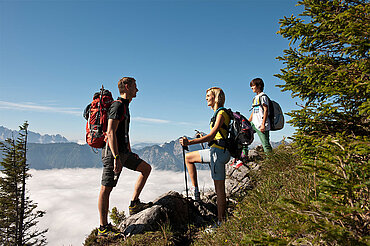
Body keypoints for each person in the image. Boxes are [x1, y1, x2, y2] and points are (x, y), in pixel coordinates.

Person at [97, 77, 152, 237]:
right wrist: (116, 157)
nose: (137, 89)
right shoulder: (117, 106)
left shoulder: (125, 106)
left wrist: (127, 152)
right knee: (105, 189)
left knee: (146, 169)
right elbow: (111, 132)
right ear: (126, 87)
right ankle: (103, 228)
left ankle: (134, 204)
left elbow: (122, 133)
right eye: (135, 86)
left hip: (123, 153)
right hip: (113, 154)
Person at [180, 87, 231, 225]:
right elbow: (216, 135)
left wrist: (190, 142)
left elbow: (212, 136)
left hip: (218, 153)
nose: (206, 98)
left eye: (208, 96)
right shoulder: (217, 114)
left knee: (219, 188)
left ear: (215, 97)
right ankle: (195, 191)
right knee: (189, 158)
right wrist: (203, 137)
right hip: (216, 151)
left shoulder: (221, 113)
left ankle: (221, 222)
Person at [249, 78, 273, 153]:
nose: (251, 87)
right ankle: (244, 156)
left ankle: (271, 161)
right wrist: (248, 122)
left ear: (259, 86)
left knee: (265, 144)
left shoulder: (263, 97)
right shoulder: (255, 98)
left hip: (261, 124)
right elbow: (254, 111)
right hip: (254, 123)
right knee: (244, 136)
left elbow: (266, 110)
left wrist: (263, 124)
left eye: (253, 85)